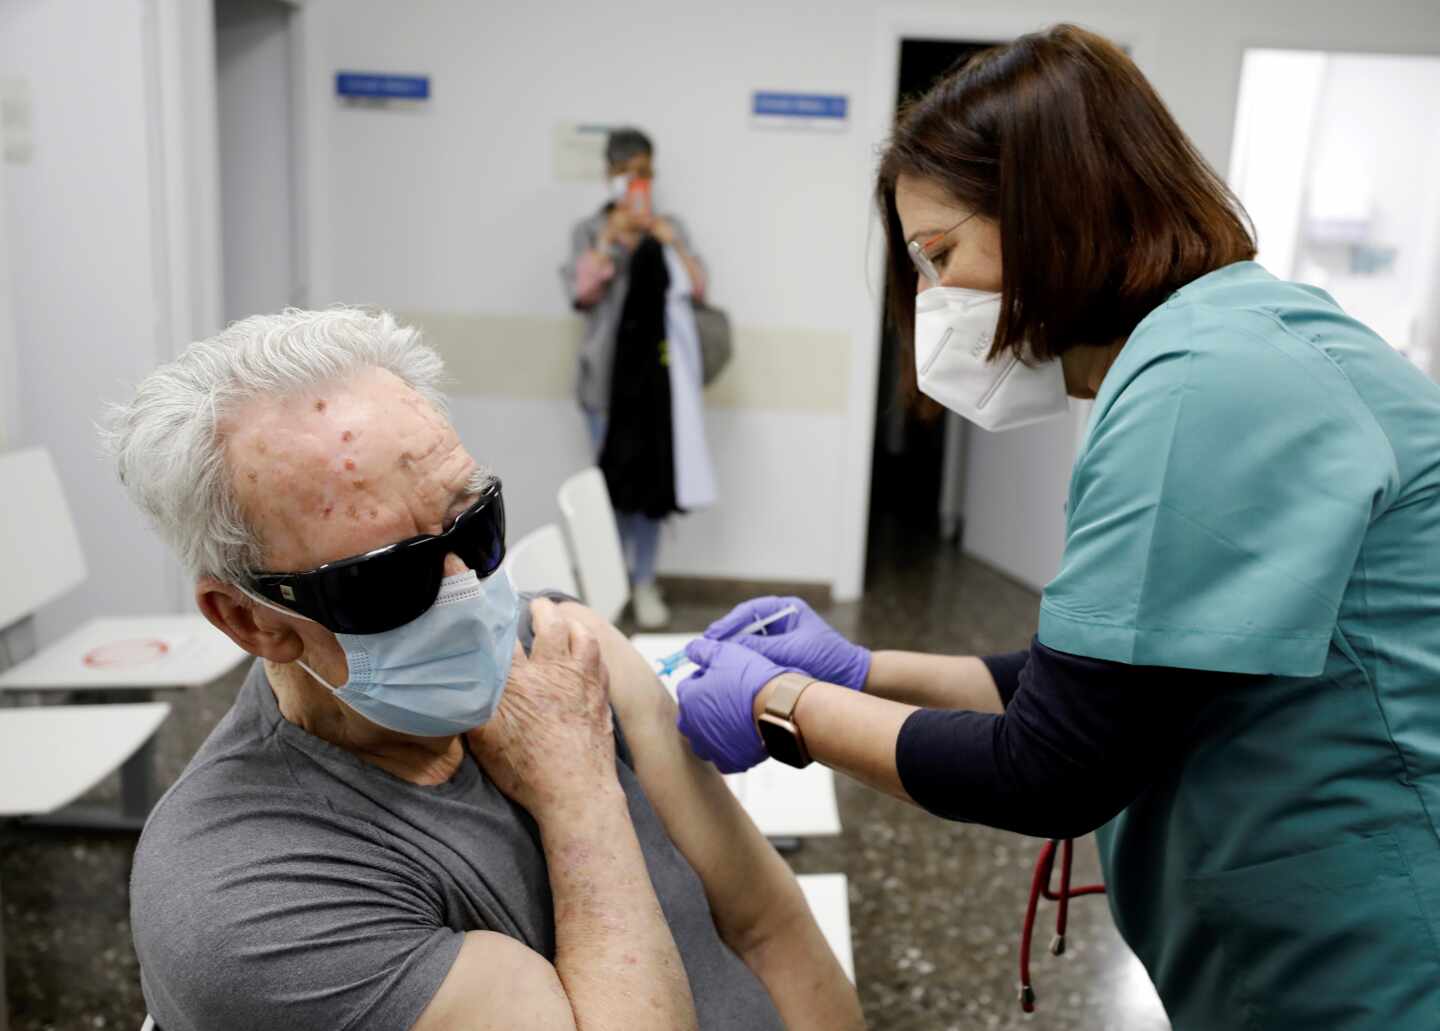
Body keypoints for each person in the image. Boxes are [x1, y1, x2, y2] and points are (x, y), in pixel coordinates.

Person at [674, 24, 1440, 1030]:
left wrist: (784, 705)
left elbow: (1055, 762)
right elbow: (1096, 673)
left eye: (942, 256)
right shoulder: (1219, 346)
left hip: (1368, 960)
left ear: (1054, 213)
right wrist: (861, 670)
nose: (937, 301)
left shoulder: (1204, 384)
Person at [104, 308, 861, 1031]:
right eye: (388, 578)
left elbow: (768, 926)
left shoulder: (561, 647)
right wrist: (580, 789)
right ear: (250, 618)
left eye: (475, 522)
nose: (464, 588)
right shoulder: (245, 900)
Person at [563, 127, 715, 629]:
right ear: (609, 175)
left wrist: (669, 244)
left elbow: (699, 289)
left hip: (657, 391)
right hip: (603, 390)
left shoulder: (670, 228)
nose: (637, 181)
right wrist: (608, 244)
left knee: (650, 494)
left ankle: (645, 581)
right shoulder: (590, 230)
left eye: (646, 172)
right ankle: (609, 588)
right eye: (628, 172)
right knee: (608, 494)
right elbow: (581, 295)